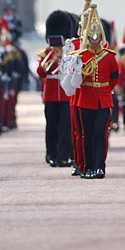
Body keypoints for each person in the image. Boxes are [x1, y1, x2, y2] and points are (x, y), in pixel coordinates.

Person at [60, 4, 120, 179]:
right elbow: (75, 82)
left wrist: (104, 90)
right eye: (92, 36)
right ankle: (88, 167)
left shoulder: (109, 56)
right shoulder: (80, 56)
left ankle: (100, 167)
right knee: (87, 135)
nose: (95, 39)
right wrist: (77, 70)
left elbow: (114, 78)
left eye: (97, 36)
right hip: (85, 98)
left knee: (100, 134)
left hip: (103, 98)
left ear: (101, 37)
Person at [38, 10, 76, 167]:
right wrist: (51, 58)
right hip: (52, 94)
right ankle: (51, 154)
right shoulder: (47, 53)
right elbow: (40, 72)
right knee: (51, 125)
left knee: (65, 126)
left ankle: (63, 155)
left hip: (66, 95)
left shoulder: (71, 52)